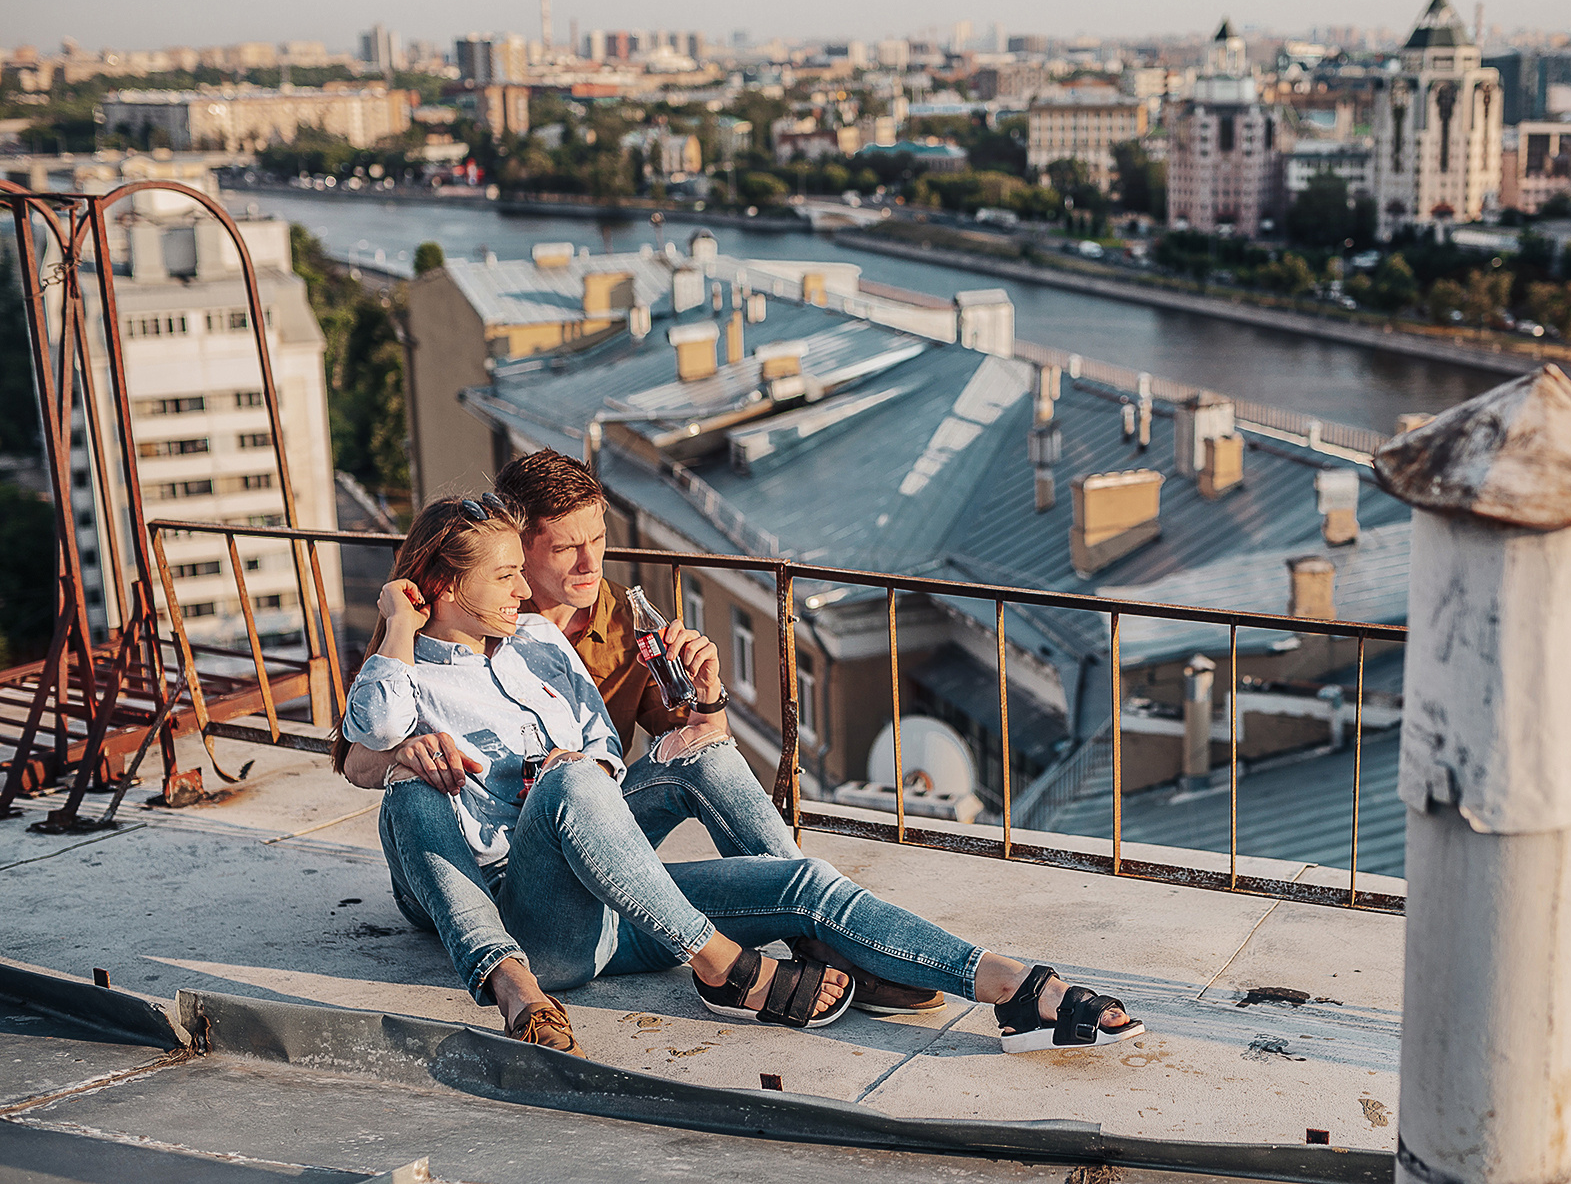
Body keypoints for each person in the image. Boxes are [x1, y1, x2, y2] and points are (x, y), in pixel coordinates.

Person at [340, 494, 1143, 1059]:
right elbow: (369, 733)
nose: (526, 588)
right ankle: (710, 962)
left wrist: (631, 743)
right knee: (476, 786)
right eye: (507, 574)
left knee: (709, 761)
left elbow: (607, 755)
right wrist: (402, 624)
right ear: (445, 586)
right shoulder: (406, 670)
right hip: (531, 915)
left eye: (524, 569)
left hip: (620, 907)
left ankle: (1002, 984)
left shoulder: (542, 645)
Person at [341, 448, 939, 1014]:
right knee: (513, 788)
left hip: (585, 823)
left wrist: (709, 699)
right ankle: (729, 959)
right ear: (517, 545)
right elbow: (354, 757)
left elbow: (688, 748)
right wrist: (403, 750)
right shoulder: (435, 626)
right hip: (485, 857)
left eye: (599, 540)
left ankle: (816, 934)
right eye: (567, 548)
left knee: (701, 759)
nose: (590, 564)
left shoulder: (617, 619)